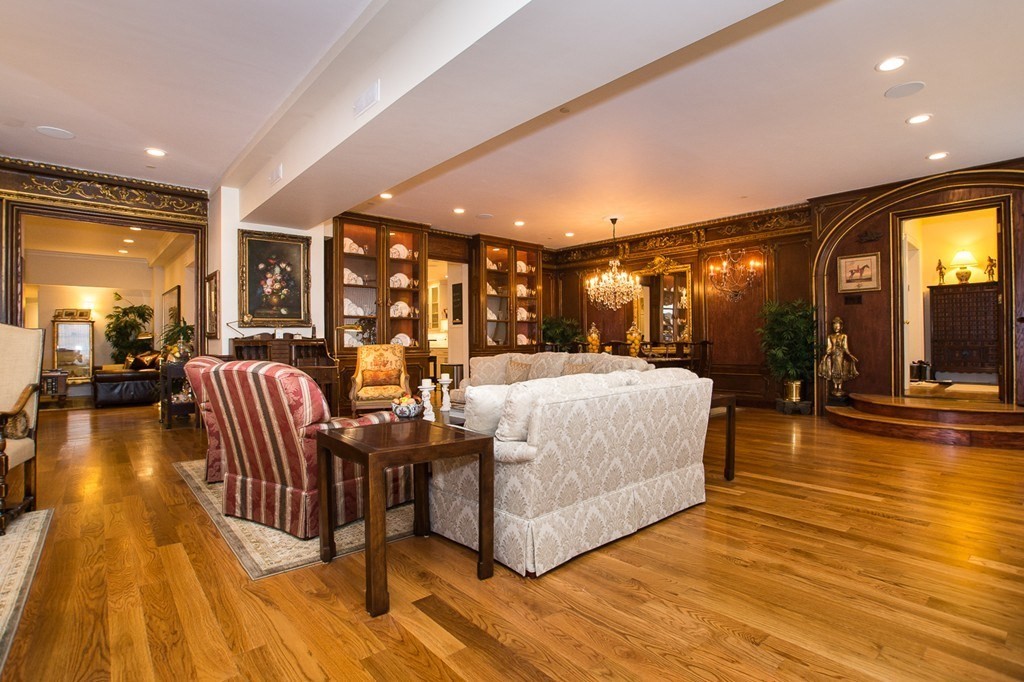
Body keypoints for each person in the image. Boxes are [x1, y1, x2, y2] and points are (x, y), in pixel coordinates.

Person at [817, 316, 859, 397]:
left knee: (841, 369)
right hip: (833, 355)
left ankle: (840, 387)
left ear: (841, 326)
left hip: (841, 355)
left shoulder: (844, 336)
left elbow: (846, 347)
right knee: (834, 369)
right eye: (834, 326)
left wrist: (850, 355)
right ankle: (835, 387)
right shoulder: (830, 336)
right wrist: (826, 355)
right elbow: (829, 348)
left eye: (838, 326)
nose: (836, 328)